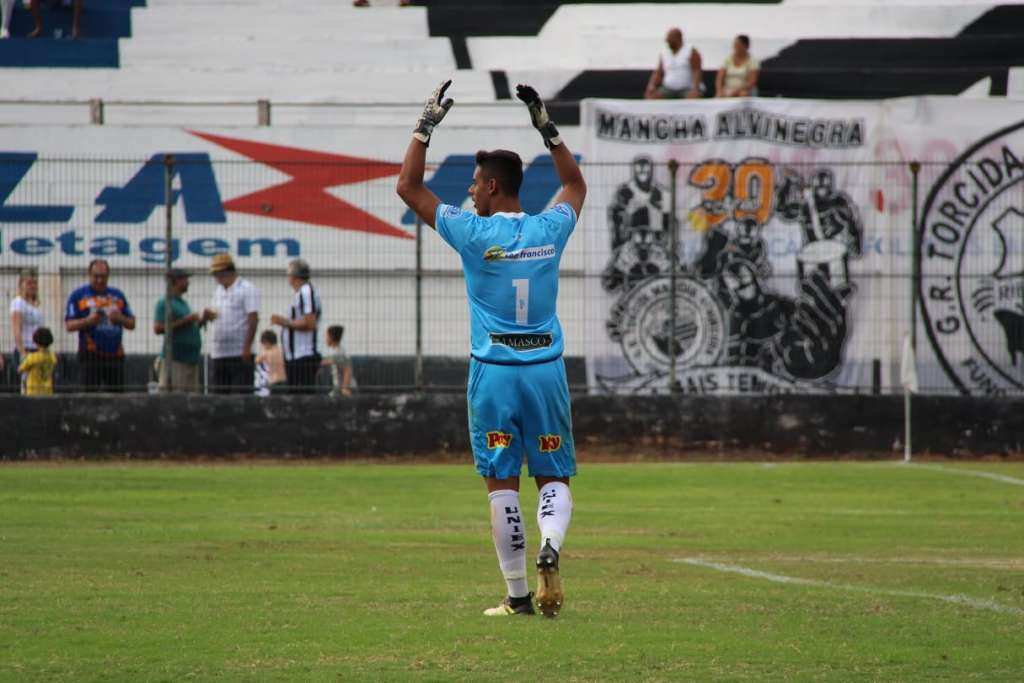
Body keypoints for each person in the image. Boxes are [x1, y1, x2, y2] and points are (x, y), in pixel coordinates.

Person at [396, 80, 585, 618]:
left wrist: (424, 126)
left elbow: (408, 187)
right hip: (546, 372)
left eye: (477, 184)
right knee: (552, 475)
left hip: (494, 373)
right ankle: (552, 543)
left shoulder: (474, 233)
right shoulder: (550, 226)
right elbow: (575, 184)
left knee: (501, 484)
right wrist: (546, 129)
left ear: (495, 187)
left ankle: (519, 597)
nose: (471, 193)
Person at [64, 259, 135, 392]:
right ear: (89, 274)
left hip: (115, 355)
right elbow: (69, 325)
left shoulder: (117, 295)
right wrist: (88, 321)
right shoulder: (78, 295)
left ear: (108, 276)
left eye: (103, 276)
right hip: (91, 355)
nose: (99, 280)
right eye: (96, 276)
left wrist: (120, 318)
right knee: (90, 397)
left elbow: (132, 323)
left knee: (118, 398)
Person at [205, 254, 260, 394]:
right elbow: (217, 313)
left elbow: (253, 318)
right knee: (219, 395)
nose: (216, 278)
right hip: (219, 352)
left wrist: (247, 347)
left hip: (239, 352)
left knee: (241, 394)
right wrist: (209, 316)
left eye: (217, 274)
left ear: (227, 271)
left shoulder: (247, 288)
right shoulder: (218, 291)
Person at [271, 259, 322, 393]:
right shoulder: (301, 293)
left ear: (294, 276)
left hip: (303, 356)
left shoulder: (306, 292)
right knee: (295, 395)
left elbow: (310, 323)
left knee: (302, 396)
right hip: (294, 356)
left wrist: (284, 322)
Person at [153, 269, 202, 392]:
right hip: (175, 361)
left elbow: (187, 328)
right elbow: (158, 328)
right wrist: (186, 320)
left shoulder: (183, 303)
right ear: (175, 281)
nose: (188, 282)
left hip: (190, 360)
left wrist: (201, 321)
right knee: (174, 399)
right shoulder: (165, 302)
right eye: (184, 279)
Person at [8, 268, 45, 384]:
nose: (32, 286)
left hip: (37, 350)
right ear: (21, 284)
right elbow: (16, 329)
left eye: (35, 283)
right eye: (29, 283)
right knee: (27, 385)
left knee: (37, 385)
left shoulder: (34, 305)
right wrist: (23, 352)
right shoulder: (18, 303)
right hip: (26, 349)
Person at [644, 27, 703, 99]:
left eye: (670, 39)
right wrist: (651, 86)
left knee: (693, 98)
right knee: (652, 97)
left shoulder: (691, 51)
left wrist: (695, 89)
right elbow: (658, 72)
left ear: (678, 39)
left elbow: (696, 71)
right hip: (668, 89)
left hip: (687, 89)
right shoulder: (664, 53)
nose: (667, 41)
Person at [17, 326, 56, 395]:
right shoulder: (52, 356)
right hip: (48, 392)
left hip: (33, 391)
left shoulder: (32, 357)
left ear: (36, 342)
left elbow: (20, 369)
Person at [322, 325, 356, 397]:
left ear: (332, 337)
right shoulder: (336, 352)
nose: (325, 339)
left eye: (327, 336)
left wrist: (344, 388)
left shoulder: (339, 353)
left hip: (344, 388)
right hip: (338, 388)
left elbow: (347, 370)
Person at [255, 329, 287, 395]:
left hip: (273, 381)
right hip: (284, 380)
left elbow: (256, 361)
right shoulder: (280, 350)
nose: (262, 345)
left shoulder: (266, 352)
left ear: (266, 342)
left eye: (263, 343)